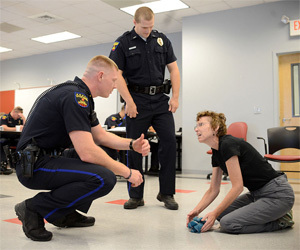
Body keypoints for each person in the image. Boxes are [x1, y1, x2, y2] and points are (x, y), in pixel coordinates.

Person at [14, 55, 150, 242]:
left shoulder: (80, 95)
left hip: (46, 159)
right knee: (104, 178)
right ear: (100, 76)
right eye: (114, 81)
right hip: (34, 165)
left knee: (103, 159)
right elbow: (87, 152)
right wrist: (127, 173)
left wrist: (131, 144)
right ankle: (34, 207)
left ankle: (62, 212)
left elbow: (100, 136)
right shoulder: (75, 97)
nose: (115, 87)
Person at [109, 6, 180, 210]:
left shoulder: (162, 40)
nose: (147, 30)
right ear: (134, 22)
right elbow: (117, 75)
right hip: (136, 101)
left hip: (160, 100)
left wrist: (175, 97)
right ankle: (136, 195)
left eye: (150, 27)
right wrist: (129, 102)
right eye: (144, 27)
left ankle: (166, 193)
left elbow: (173, 69)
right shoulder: (122, 43)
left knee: (168, 143)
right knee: (135, 147)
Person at [186, 111, 295, 234]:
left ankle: (282, 221)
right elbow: (213, 189)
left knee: (228, 223)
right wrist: (196, 210)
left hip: (277, 195)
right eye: (196, 125)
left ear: (215, 128)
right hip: (256, 194)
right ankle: (271, 213)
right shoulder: (216, 152)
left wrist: (214, 213)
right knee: (220, 216)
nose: (196, 129)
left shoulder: (227, 144)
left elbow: (237, 187)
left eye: (201, 125)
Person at [0, 106, 26, 174]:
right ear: (14, 112)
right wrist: (16, 128)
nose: (18, 117)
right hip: (5, 138)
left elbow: (26, 128)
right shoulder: (5, 117)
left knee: (22, 143)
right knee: (3, 142)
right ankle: (3, 164)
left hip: (15, 138)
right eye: (18, 115)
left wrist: (23, 118)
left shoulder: (19, 119)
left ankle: (17, 164)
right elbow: (4, 127)